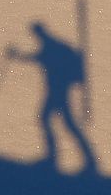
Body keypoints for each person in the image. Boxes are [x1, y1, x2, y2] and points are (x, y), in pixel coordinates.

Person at [8, 21, 98, 174]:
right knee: (65, 123)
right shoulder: (52, 47)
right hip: (56, 90)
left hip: (58, 91)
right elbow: (35, 57)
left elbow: (38, 58)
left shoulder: (53, 48)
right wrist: (17, 55)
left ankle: (56, 157)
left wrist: (16, 55)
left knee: (52, 120)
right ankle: (84, 158)